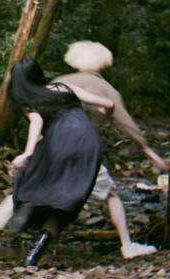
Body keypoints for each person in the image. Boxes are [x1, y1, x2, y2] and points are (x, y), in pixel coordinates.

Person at [51, 40, 168, 259]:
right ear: (103, 63)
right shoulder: (105, 89)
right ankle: (128, 246)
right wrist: (147, 149)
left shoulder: (60, 81)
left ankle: (35, 253)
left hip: (54, 150)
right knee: (111, 194)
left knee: (60, 203)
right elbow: (125, 123)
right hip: (83, 152)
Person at [4, 56, 114, 266]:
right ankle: (35, 253)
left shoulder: (29, 102)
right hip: (88, 143)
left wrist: (27, 153)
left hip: (61, 140)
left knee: (31, 174)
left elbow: (36, 123)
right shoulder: (64, 87)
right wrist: (106, 111)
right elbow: (108, 103)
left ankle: (28, 205)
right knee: (65, 203)